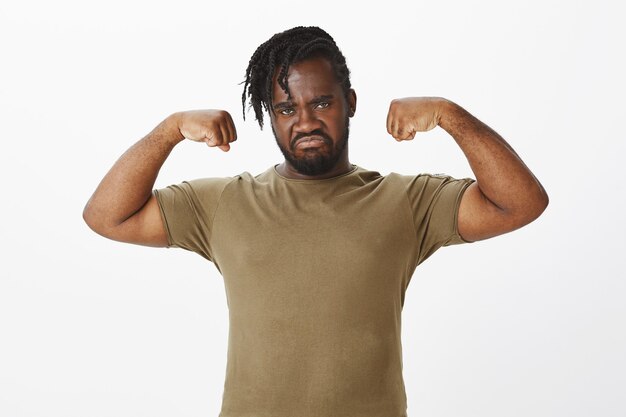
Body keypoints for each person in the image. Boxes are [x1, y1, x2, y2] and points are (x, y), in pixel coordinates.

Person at [83, 26, 548, 417]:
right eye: (286, 109)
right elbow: (107, 216)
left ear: (350, 101)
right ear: (271, 117)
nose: (304, 122)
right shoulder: (225, 202)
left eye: (321, 103)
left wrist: (450, 115)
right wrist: (170, 130)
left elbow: (521, 204)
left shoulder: (405, 201)